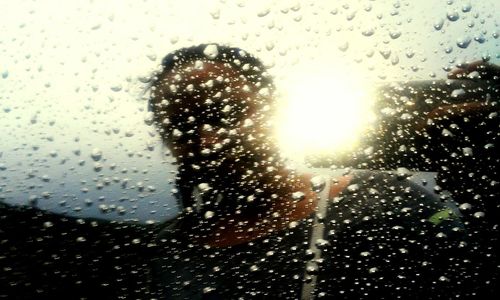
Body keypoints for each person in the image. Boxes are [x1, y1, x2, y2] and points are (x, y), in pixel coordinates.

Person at [147, 44, 478, 299]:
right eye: (180, 125)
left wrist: (483, 186)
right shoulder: (158, 251)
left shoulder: (387, 198)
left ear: (273, 110)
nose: (207, 140)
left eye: (223, 111)